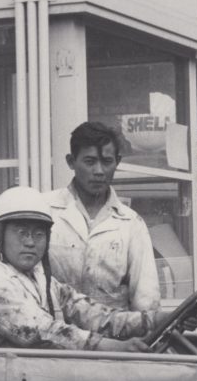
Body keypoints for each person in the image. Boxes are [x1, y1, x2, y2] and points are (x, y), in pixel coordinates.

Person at [0, 186, 189, 351]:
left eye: (38, 234)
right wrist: (112, 347)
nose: (30, 242)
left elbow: (93, 315)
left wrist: (154, 320)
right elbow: (42, 332)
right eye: (21, 233)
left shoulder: (40, 278)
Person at [45, 121, 160, 311]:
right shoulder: (46, 210)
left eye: (106, 162)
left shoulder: (131, 223)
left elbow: (146, 300)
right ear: (71, 162)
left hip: (115, 328)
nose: (99, 171)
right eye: (89, 162)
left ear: (117, 162)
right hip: (54, 326)